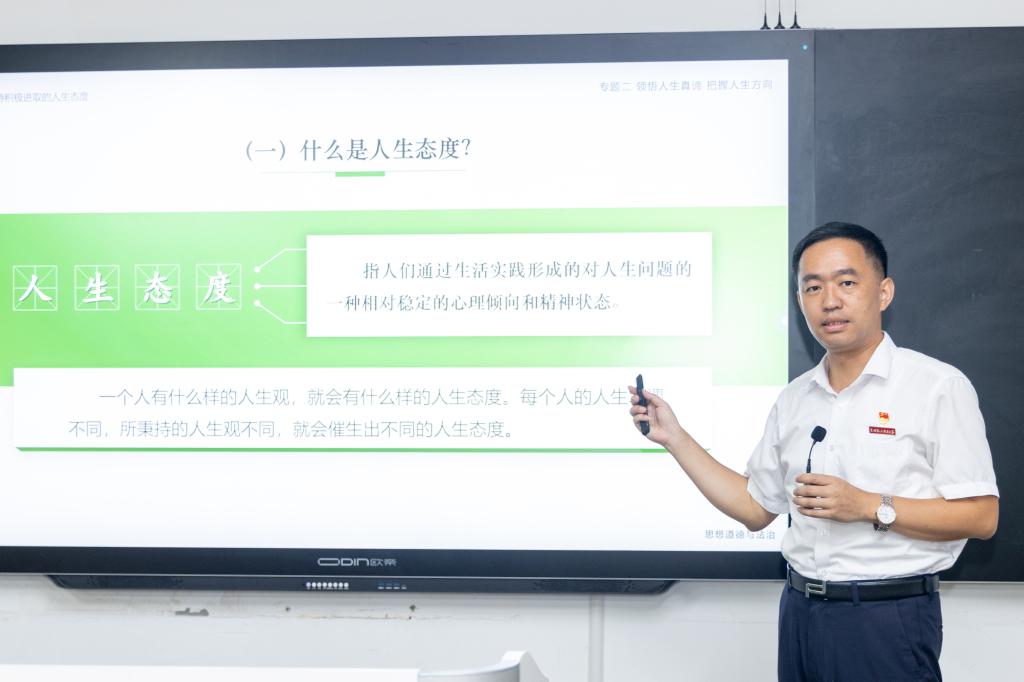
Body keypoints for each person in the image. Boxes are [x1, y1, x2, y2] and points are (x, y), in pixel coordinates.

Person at [630, 222, 998, 681]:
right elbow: (755, 508)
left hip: (885, 618)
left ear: (884, 292)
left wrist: (866, 505)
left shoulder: (936, 387)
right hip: (800, 613)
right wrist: (675, 438)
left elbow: (982, 516)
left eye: (846, 283)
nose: (829, 300)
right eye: (813, 287)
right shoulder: (795, 398)